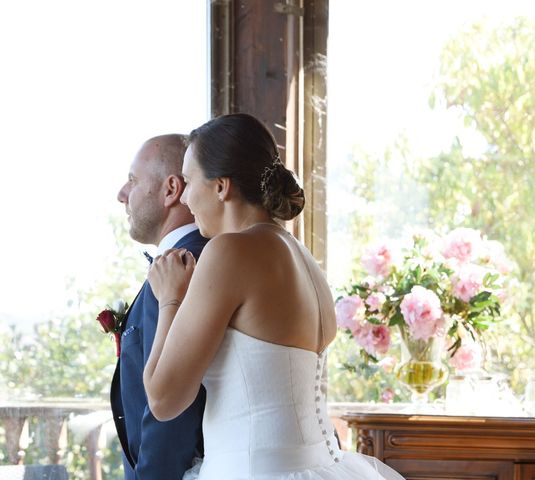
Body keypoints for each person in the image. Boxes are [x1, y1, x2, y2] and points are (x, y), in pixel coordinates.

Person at [143, 114, 405, 479]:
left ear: (221, 186)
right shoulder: (303, 257)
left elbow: (163, 399)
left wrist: (170, 299)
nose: (185, 198)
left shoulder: (229, 252)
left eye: (188, 182)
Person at [110, 134, 209, 480]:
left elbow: (172, 409)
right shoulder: (198, 257)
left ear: (171, 189)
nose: (122, 194)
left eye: (133, 181)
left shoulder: (182, 266)